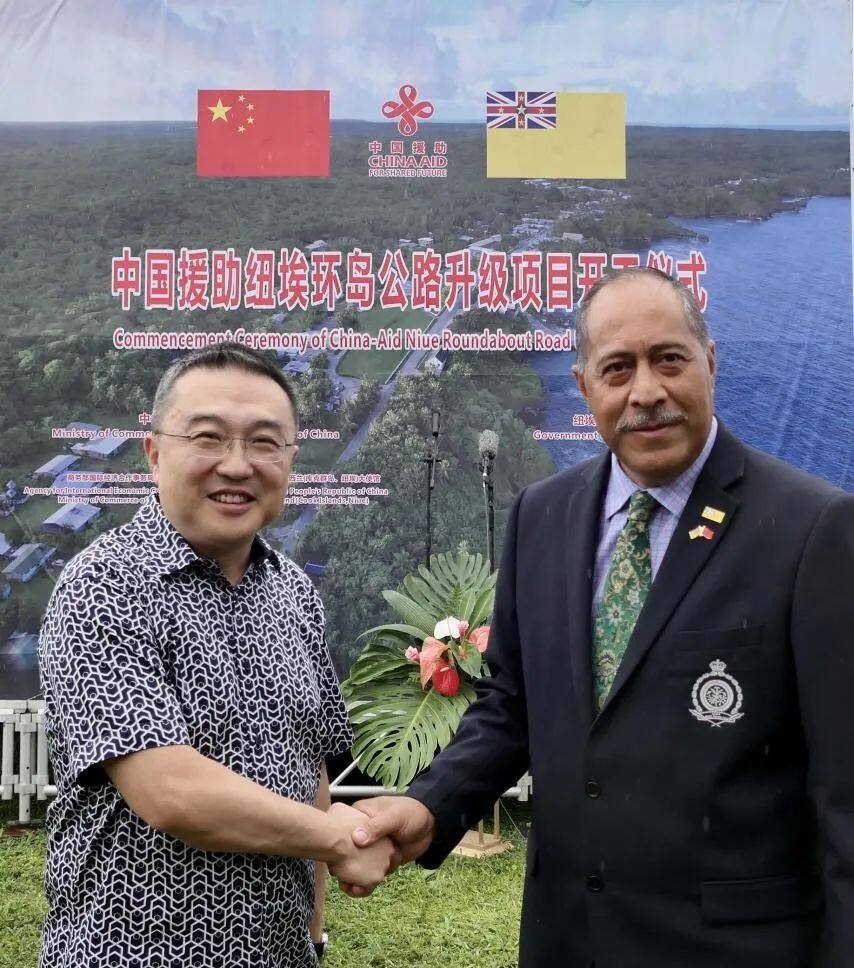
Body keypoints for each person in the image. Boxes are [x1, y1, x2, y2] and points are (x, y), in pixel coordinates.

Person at [344, 268, 854, 968]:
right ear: (585, 387)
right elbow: (512, 703)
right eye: (618, 369)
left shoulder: (812, 528)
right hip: (568, 938)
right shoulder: (542, 515)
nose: (646, 391)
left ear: (710, 363)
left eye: (668, 359)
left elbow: (845, 788)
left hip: (735, 946)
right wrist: (430, 806)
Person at [38, 343, 395, 968]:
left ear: (290, 460)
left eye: (264, 442)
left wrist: (313, 936)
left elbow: (309, 769)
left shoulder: (294, 592)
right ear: (154, 453)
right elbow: (171, 791)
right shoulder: (104, 585)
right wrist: (341, 838)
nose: (237, 465)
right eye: (208, 438)